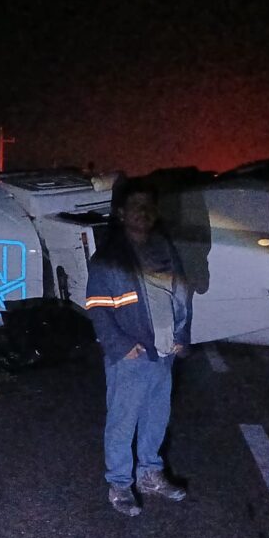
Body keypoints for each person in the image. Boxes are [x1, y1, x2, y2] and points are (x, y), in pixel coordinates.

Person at [85, 177, 191, 516]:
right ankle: (119, 485)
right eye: (135, 206)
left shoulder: (164, 248)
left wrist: (181, 337)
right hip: (130, 354)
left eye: (148, 206)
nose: (143, 212)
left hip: (164, 351)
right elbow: (97, 306)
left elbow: (182, 296)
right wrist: (120, 346)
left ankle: (149, 475)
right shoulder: (108, 256)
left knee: (156, 418)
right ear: (120, 213)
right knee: (123, 420)